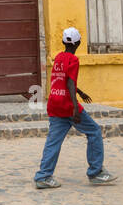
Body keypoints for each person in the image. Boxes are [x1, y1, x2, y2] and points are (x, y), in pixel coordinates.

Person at [34, 27, 113, 189]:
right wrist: (75, 108)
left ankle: (43, 176)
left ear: (63, 42)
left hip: (54, 103)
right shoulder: (73, 60)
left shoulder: (58, 58)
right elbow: (69, 81)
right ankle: (96, 172)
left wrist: (80, 91)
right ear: (79, 43)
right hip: (67, 104)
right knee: (94, 131)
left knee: (53, 141)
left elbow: (63, 80)